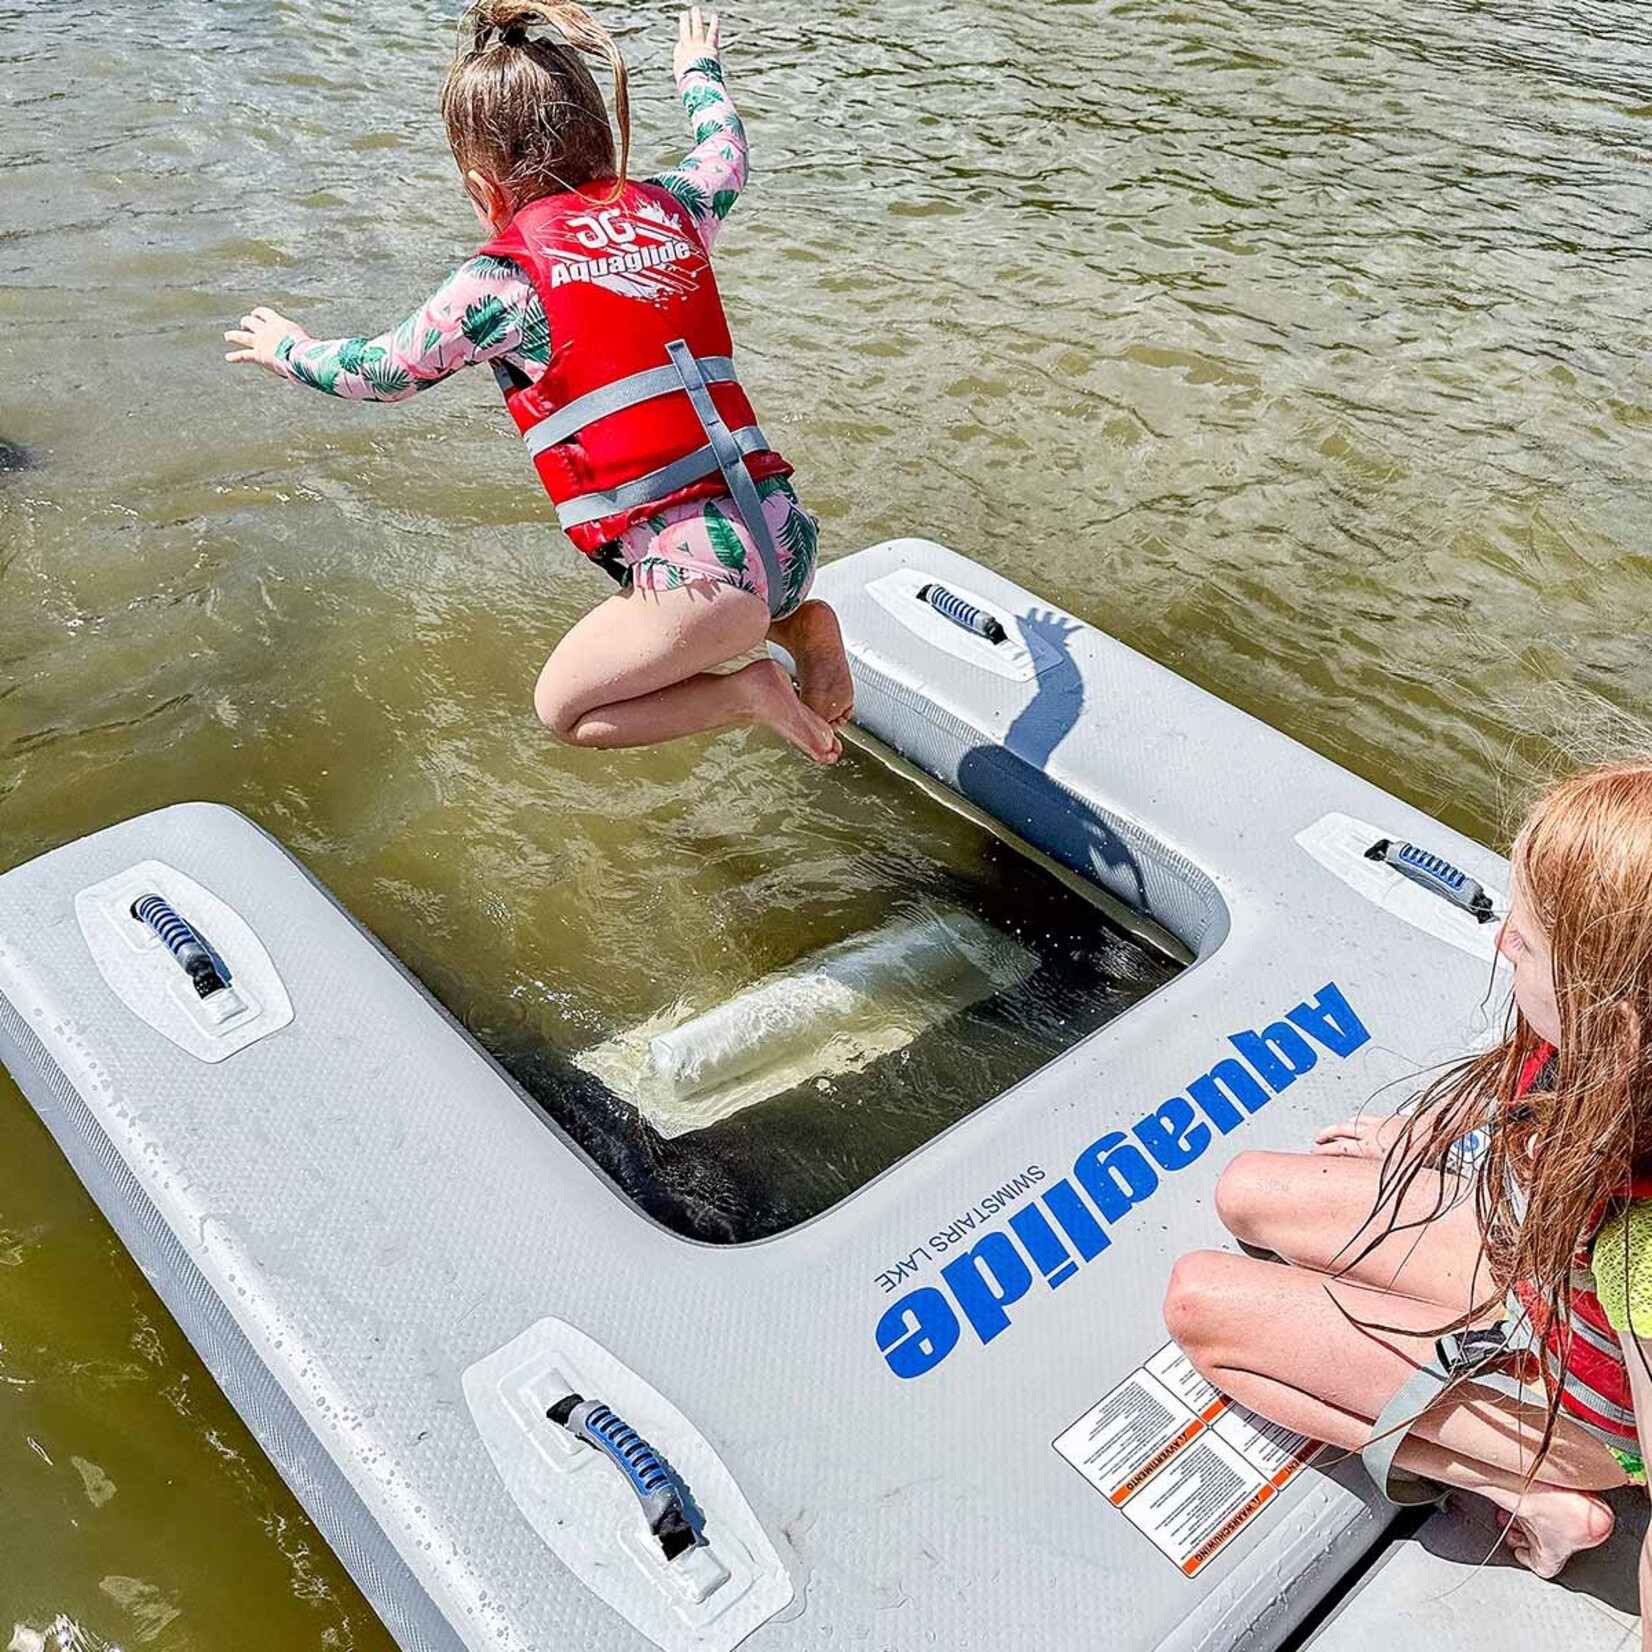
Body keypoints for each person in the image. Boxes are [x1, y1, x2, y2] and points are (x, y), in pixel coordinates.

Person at [224, 2, 853, 764]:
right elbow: (725, 146)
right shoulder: (677, 208)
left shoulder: (503, 284)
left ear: (483, 186)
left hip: (703, 576)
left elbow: (383, 371)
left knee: (566, 708)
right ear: (601, 134)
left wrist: (289, 347)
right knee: (724, 597)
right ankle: (796, 618)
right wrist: (697, 70)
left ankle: (749, 689)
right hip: (785, 531)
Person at [1164, 758, 1652, 1597]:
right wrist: (1427, 1133)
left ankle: (1527, 1491)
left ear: (1610, 1009)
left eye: (1527, 940)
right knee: (1247, 1189)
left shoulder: (1642, 1250)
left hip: (1590, 1400)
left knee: (1199, 1306)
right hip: (1541, 1273)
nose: (1502, 941)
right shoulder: (1604, 1048)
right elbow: (1535, 1083)